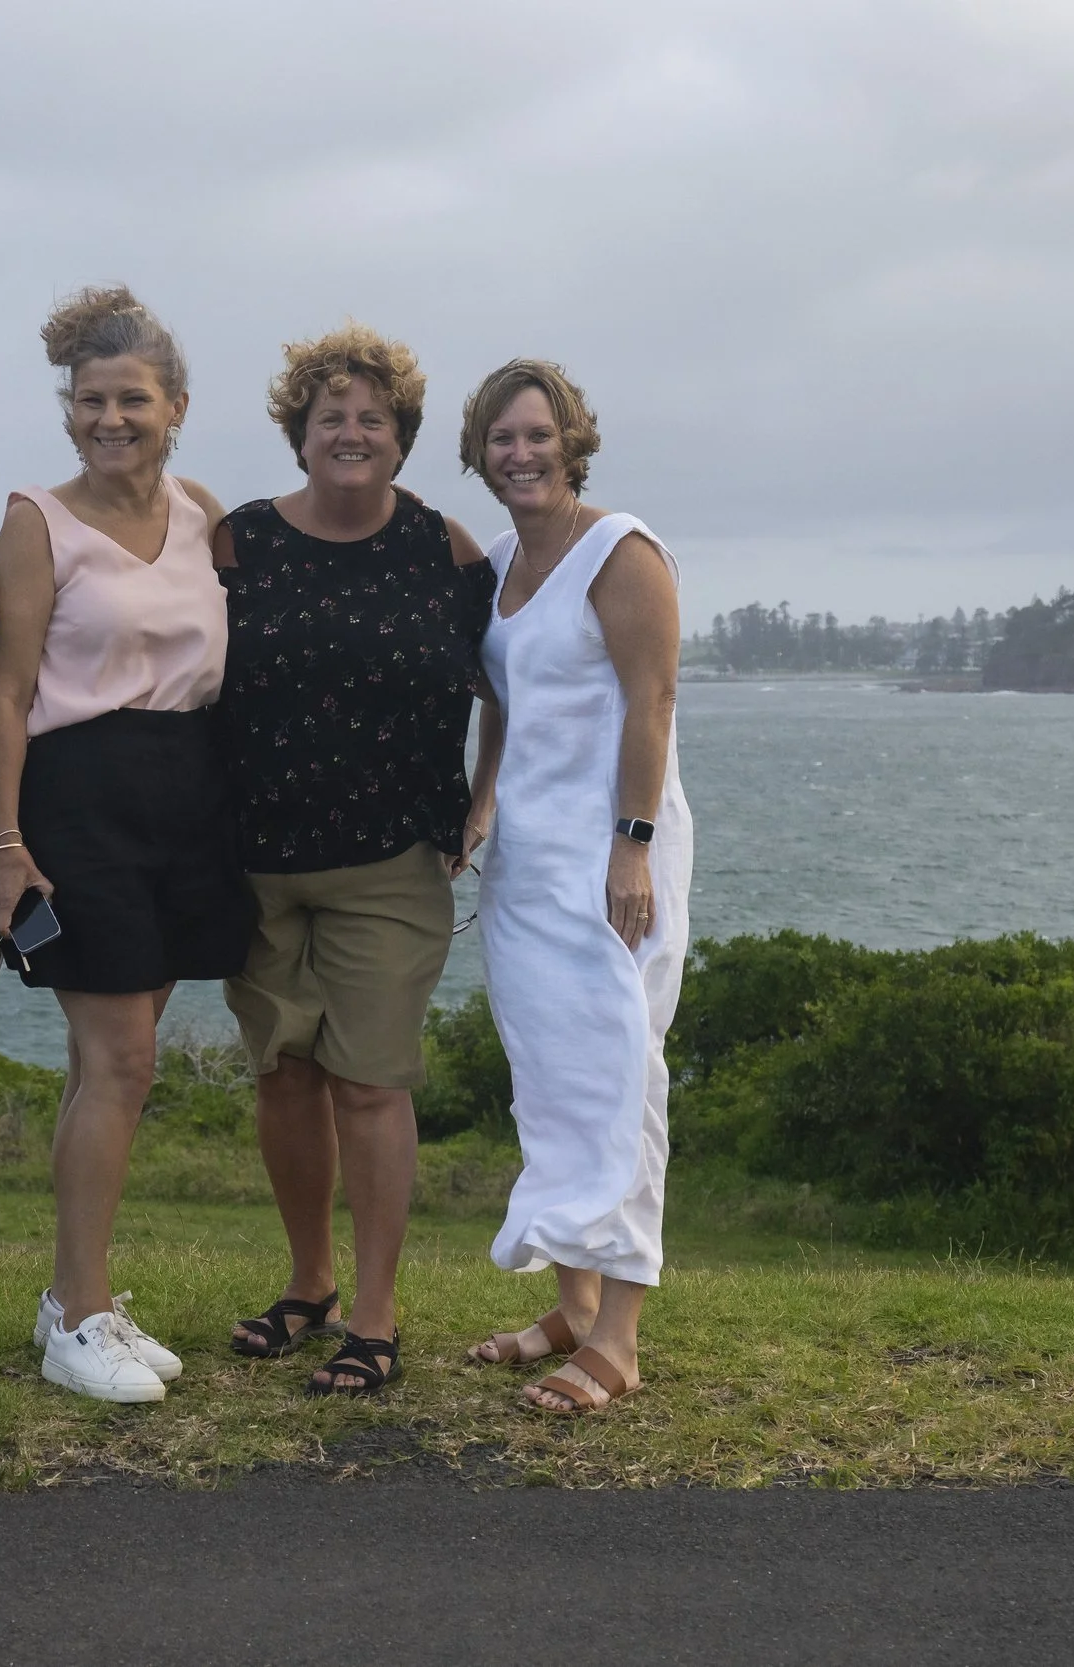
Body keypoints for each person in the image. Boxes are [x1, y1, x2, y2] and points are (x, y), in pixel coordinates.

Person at [215, 325, 499, 1396]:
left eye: (371, 418)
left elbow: (502, 686)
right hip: (256, 856)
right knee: (285, 1076)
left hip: (389, 860)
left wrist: (483, 799)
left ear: (402, 438)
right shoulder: (236, 541)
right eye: (329, 416)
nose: (350, 432)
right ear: (298, 434)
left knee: (371, 1083)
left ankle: (372, 1319)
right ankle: (307, 1285)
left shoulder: (446, 550)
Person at [0, 286, 246, 1404]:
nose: (109, 418)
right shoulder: (37, 517)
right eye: (90, 400)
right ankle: (75, 1312)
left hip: (187, 792)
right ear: (68, 408)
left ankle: (76, 1301)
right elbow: (6, 691)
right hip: (77, 792)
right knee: (121, 1060)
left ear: (175, 404)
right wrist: (1, 837)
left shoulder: (205, 512)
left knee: (110, 1067)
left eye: (131, 398)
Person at [460, 359, 691, 1415]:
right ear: (480, 449)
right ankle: (570, 1300)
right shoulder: (504, 558)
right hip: (526, 863)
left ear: (571, 439)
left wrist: (631, 843)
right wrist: (479, 803)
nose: (520, 453)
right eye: (501, 437)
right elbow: (504, 702)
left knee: (619, 1077)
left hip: (612, 862)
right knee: (550, 1081)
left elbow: (652, 702)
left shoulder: (620, 550)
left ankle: (620, 1335)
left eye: (536, 435)